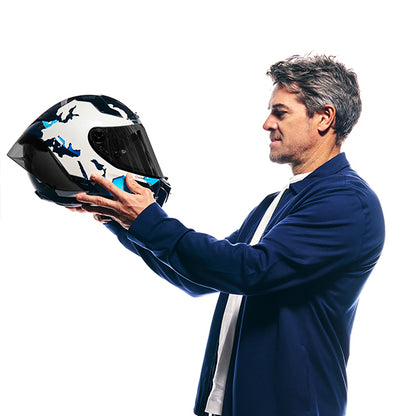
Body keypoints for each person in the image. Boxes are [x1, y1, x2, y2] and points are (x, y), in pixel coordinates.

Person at [73, 55, 385, 416]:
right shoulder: (278, 203)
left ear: (324, 117)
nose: (267, 124)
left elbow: (247, 270)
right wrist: (120, 219)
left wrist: (147, 221)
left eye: (280, 112)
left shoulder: (347, 202)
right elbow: (201, 276)